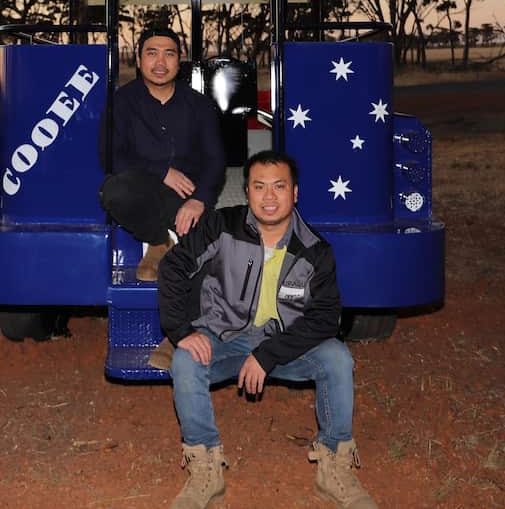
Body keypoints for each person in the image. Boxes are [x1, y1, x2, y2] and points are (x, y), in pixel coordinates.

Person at [156, 150, 376, 509]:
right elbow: (173, 267)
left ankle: (335, 466)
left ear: (295, 193)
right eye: (259, 187)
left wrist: (267, 354)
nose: (269, 197)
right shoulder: (220, 226)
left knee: (337, 358)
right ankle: (205, 469)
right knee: (184, 361)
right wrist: (181, 331)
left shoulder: (315, 250)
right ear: (247, 192)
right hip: (224, 336)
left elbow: (325, 317)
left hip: (282, 345)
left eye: (279, 186)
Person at [99, 25, 225, 281]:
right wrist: (162, 172)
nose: (160, 62)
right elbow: (110, 157)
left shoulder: (200, 104)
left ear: (179, 61)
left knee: (219, 251)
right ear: (139, 60)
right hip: (141, 191)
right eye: (152, 53)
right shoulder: (121, 102)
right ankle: (159, 242)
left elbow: (215, 160)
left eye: (169, 54)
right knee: (114, 191)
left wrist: (199, 199)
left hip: (186, 196)